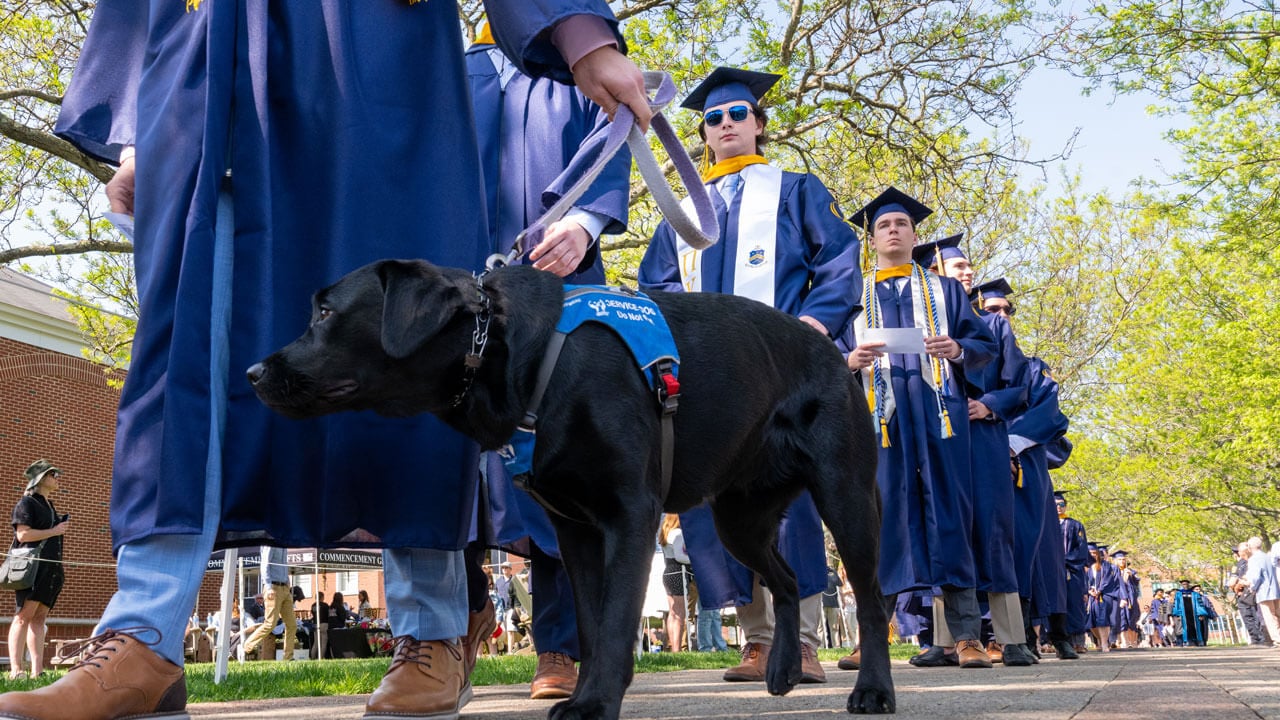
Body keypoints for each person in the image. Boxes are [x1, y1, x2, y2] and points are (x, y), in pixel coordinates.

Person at [2, 3, 650, 719]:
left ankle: (430, 630)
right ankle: (144, 634)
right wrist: (131, 130)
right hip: (201, 60)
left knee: (401, 344)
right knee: (180, 350)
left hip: (370, 56)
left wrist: (580, 37)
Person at [639, 66, 860, 686]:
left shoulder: (795, 189)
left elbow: (839, 259)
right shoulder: (680, 208)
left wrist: (814, 329)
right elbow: (655, 287)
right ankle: (757, 640)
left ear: (760, 125)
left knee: (791, 503)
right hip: (708, 379)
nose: (726, 124)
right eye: (713, 118)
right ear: (703, 135)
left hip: (783, 373)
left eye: (738, 114)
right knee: (714, 503)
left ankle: (805, 638)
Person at [431, 22, 633, 700]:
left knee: (554, 462)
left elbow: (614, 135)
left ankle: (558, 647)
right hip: (451, 299)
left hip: (556, 289)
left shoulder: (570, 67)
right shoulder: (444, 71)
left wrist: (585, 225)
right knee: (447, 464)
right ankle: (458, 618)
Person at [843, 187, 998, 670]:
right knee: (879, 521)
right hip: (879, 421)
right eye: (884, 226)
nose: (893, 230)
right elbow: (822, 347)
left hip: (940, 417)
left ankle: (967, 636)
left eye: (901, 225)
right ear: (872, 240)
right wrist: (848, 360)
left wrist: (957, 351)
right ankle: (874, 636)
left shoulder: (947, 291)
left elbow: (981, 344)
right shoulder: (851, 293)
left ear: (915, 236)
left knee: (950, 516)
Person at [912, 242, 1034, 667]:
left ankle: (1012, 637)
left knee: (992, 533)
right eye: (955, 266)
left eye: (967, 265)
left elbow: (1019, 384)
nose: (966, 272)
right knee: (946, 531)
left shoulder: (993, 326)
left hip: (982, 439)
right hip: (939, 438)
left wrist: (990, 405)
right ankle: (948, 641)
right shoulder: (919, 323)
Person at [972, 281, 1076, 660]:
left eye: (1005, 310)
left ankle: (1053, 632)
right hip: (980, 461)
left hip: (1024, 466)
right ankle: (993, 635)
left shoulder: (1033, 369)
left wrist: (1012, 442)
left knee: (1038, 549)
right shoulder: (967, 366)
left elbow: (1049, 412)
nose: (1000, 316)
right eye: (991, 309)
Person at [7, 461, 69, 680]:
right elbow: (22, 536)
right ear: (41, 478)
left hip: (51, 570)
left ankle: (37, 671)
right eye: (53, 474)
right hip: (32, 569)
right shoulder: (26, 503)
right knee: (23, 616)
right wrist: (54, 531)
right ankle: (16, 670)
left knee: (40, 618)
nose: (57, 477)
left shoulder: (50, 506)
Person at [242, 546, 296, 661]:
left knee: (292, 625)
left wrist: (288, 583)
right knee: (270, 623)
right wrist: (268, 586)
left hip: (285, 588)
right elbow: (264, 564)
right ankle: (246, 646)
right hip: (273, 588)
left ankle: (288, 658)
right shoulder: (269, 544)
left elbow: (284, 566)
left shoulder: (284, 545)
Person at [1055, 490, 1091, 653]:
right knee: (1056, 606)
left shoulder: (1075, 525)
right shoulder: (1045, 523)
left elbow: (1081, 549)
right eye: (1055, 505)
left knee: (1074, 606)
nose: (1058, 508)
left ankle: (1078, 642)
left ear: (1066, 506)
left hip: (1072, 572)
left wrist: (1065, 560)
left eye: (1061, 504)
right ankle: (1061, 642)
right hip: (1053, 572)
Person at [658, 514, 692, 653]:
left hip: (668, 572)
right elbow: (681, 557)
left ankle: (673, 647)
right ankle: (676, 649)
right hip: (679, 572)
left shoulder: (664, 534)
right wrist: (694, 558)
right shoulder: (678, 533)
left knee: (672, 613)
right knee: (679, 614)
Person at [1243, 537, 1280, 647]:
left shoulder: (1254, 559)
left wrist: (1252, 587)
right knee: (1278, 614)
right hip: (1276, 589)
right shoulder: (1268, 557)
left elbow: (1255, 578)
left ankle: (1277, 639)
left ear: (1249, 547)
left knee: (1270, 616)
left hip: (1264, 591)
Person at [1232, 542, 1271, 645]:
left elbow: (1248, 578)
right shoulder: (1240, 563)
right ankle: (1257, 639)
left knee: (1255, 616)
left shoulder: (1250, 561)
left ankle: (1261, 639)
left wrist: (1237, 586)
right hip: (1246, 592)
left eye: (1238, 551)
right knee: (1251, 617)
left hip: (1250, 591)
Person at [1085, 543, 1119, 651]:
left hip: (1104, 595)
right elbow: (1082, 580)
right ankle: (1102, 640)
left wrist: (1099, 590)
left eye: (1095, 553)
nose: (1093, 555)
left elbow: (1107, 579)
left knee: (1102, 619)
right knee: (1091, 622)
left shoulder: (1106, 565)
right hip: (1090, 597)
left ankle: (1104, 643)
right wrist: (1089, 590)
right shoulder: (1085, 567)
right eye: (1090, 553)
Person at [1110, 551, 1141, 648]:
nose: (1122, 561)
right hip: (1120, 598)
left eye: (1123, 559)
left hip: (1132, 598)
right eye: (1119, 559)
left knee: (1132, 618)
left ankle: (1133, 641)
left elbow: (1136, 583)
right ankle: (1124, 641)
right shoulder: (1113, 572)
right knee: (1122, 619)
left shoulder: (1130, 571)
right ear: (1115, 561)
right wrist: (1123, 579)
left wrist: (1131, 575)